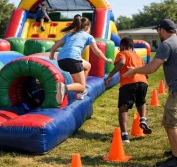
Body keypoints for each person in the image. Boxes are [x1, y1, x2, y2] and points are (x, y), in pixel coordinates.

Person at [123, 19, 177, 167]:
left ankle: (175, 158)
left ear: (161, 30)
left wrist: (134, 70)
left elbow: (152, 68)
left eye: (157, 31)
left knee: (170, 123)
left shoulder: (167, 44)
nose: (157, 33)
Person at [49, 17, 112, 103]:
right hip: (73, 60)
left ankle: (79, 91)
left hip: (61, 61)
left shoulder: (70, 34)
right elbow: (96, 51)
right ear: (87, 28)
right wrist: (106, 59)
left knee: (88, 66)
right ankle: (65, 87)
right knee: (82, 86)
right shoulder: (89, 36)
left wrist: (51, 56)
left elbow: (54, 47)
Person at [105, 37, 152, 143]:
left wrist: (110, 76)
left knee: (123, 108)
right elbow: (145, 71)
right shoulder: (138, 57)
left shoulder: (122, 53)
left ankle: (125, 135)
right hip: (143, 82)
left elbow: (121, 63)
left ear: (123, 46)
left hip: (128, 83)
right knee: (141, 101)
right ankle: (143, 118)